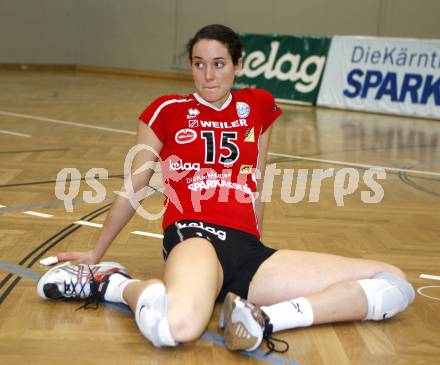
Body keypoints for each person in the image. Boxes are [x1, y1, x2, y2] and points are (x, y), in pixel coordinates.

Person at [37, 24, 415, 354]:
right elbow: (133, 188)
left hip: (247, 251)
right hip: (194, 237)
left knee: (393, 283)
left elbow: (258, 180)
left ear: (238, 65)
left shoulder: (258, 106)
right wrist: (96, 250)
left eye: (218, 64)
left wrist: (254, 244)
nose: (208, 75)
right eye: (198, 64)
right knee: (177, 329)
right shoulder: (164, 110)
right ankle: (111, 283)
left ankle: (262, 320)